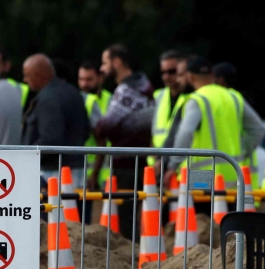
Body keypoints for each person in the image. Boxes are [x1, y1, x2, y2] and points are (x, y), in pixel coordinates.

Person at [165, 57, 264, 202]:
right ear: (212, 75)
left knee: (203, 220)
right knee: (227, 220)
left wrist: (173, 165)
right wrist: (242, 150)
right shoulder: (233, 96)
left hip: (203, 176)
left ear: (190, 77)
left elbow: (185, 133)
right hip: (232, 172)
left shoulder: (198, 99)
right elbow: (258, 129)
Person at [95, 44, 155, 240]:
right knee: (133, 214)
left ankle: (130, 261)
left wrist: (98, 127)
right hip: (141, 161)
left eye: (105, 63)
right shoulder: (145, 86)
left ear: (117, 62)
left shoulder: (126, 89)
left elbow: (106, 126)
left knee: (125, 220)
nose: (102, 69)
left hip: (124, 164)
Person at [22, 54, 89, 185]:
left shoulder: (48, 99)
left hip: (53, 174)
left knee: (55, 206)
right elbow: (85, 130)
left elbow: (50, 140)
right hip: (75, 169)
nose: (25, 80)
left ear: (39, 75)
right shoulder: (72, 92)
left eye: (27, 75)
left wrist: (26, 157)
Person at [213, 62, 263, 191]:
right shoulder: (235, 98)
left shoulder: (227, 98)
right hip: (240, 170)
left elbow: (257, 129)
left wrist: (241, 150)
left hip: (232, 170)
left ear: (221, 80)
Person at [78, 60, 113, 192]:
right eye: (81, 79)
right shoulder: (78, 101)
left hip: (107, 171)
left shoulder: (112, 100)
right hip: (84, 171)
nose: (84, 84)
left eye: (89, 79)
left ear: (100, 78)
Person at [149, 50, 188, 168]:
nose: (166, 77)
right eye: (163, 72)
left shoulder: (192, 98)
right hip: (155, 165)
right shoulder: (158, 95)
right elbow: (147, 128)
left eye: (172, 72)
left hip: (181, 165)